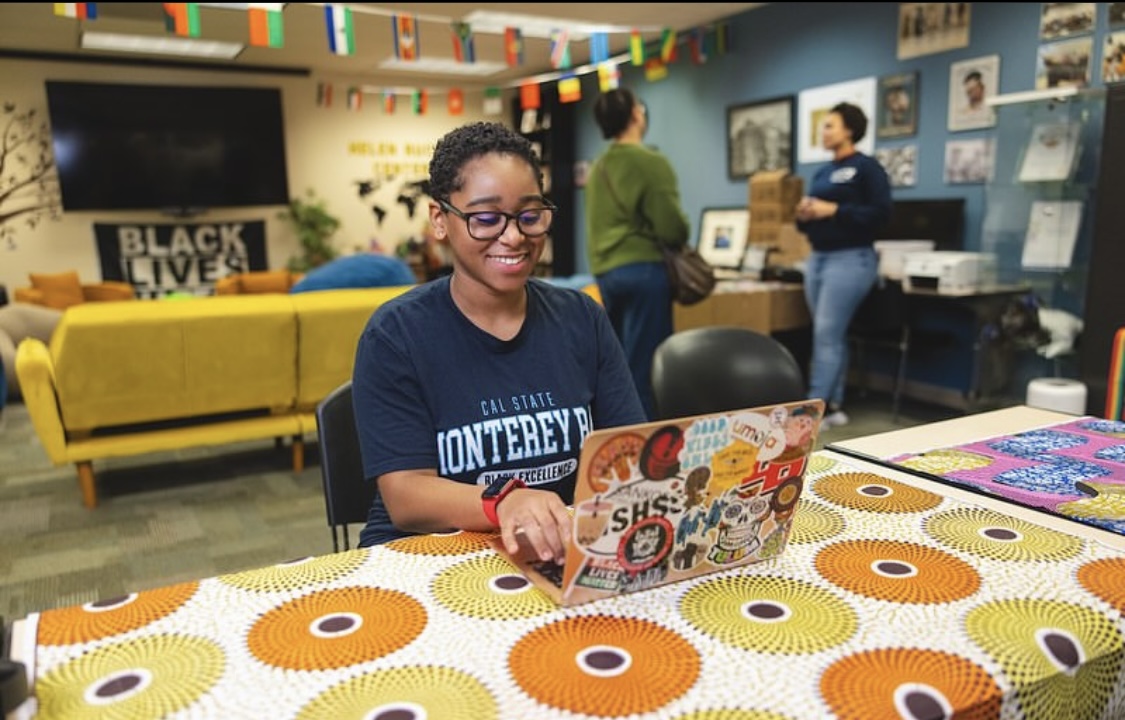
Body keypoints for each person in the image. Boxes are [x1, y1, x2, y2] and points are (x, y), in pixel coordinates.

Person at [351, 121, 646, 563]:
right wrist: (504, 500)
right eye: (486, 218)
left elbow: (628, 451)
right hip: (426, 555)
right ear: (439, 220)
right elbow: (405, 496)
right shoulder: (396, 335)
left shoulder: (582, 318)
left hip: (549, 551)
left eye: (529, 216)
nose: (513, 236)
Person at [585, 88, 691, 419]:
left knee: (617, 365)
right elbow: (672, 227)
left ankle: (618, 437)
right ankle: (646, 444)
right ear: (635, 114)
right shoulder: (650, 162)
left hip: (606, 272)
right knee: (647, 366)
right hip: (644, 271)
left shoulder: (598, 168)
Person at [795, 102, 892, 429]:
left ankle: (813, 413)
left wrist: (834, 210)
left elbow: (881, 215)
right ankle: (834, 406)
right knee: (830, 335)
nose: (824, 132)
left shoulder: (867, 168)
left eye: (830, 126)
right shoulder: (821, 173)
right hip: (818, 257)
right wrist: (806, 215)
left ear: (849, 129)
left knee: (826, 333)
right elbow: (808, 225)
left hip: (851, 258)